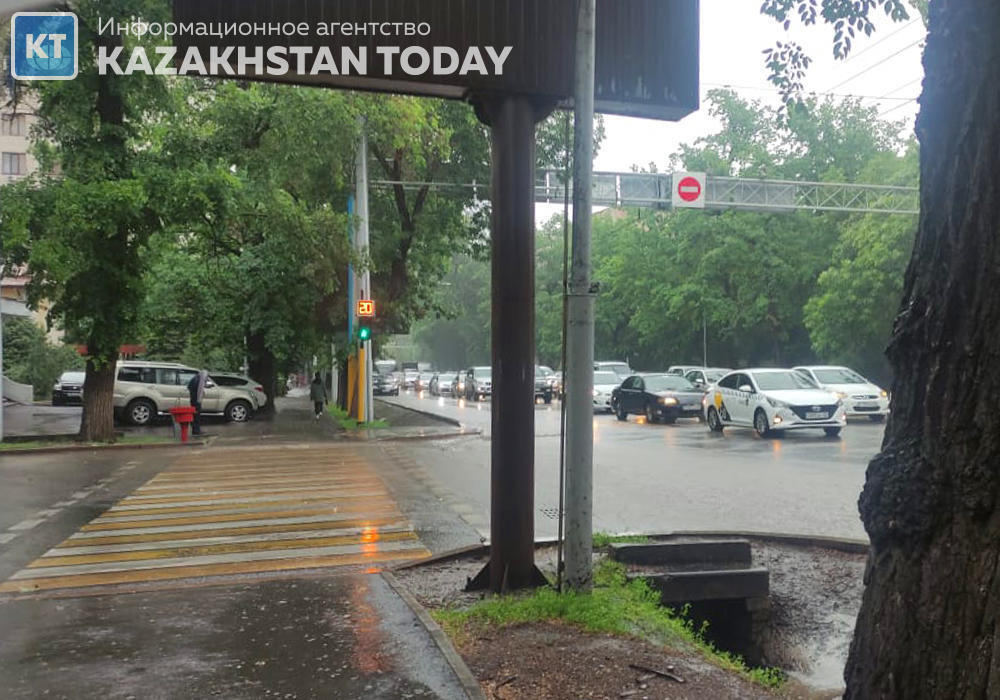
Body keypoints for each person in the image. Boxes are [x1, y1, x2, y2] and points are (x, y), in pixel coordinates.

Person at [186, 369, 209, 436]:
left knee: (195, 415)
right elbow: (200, 389)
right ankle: (196, 431)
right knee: (196, 415)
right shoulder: (200, 379)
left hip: (193, 400)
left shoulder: (195, 378)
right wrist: (199, 400)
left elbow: (190, 387)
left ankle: (196, 430)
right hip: (196, 401)